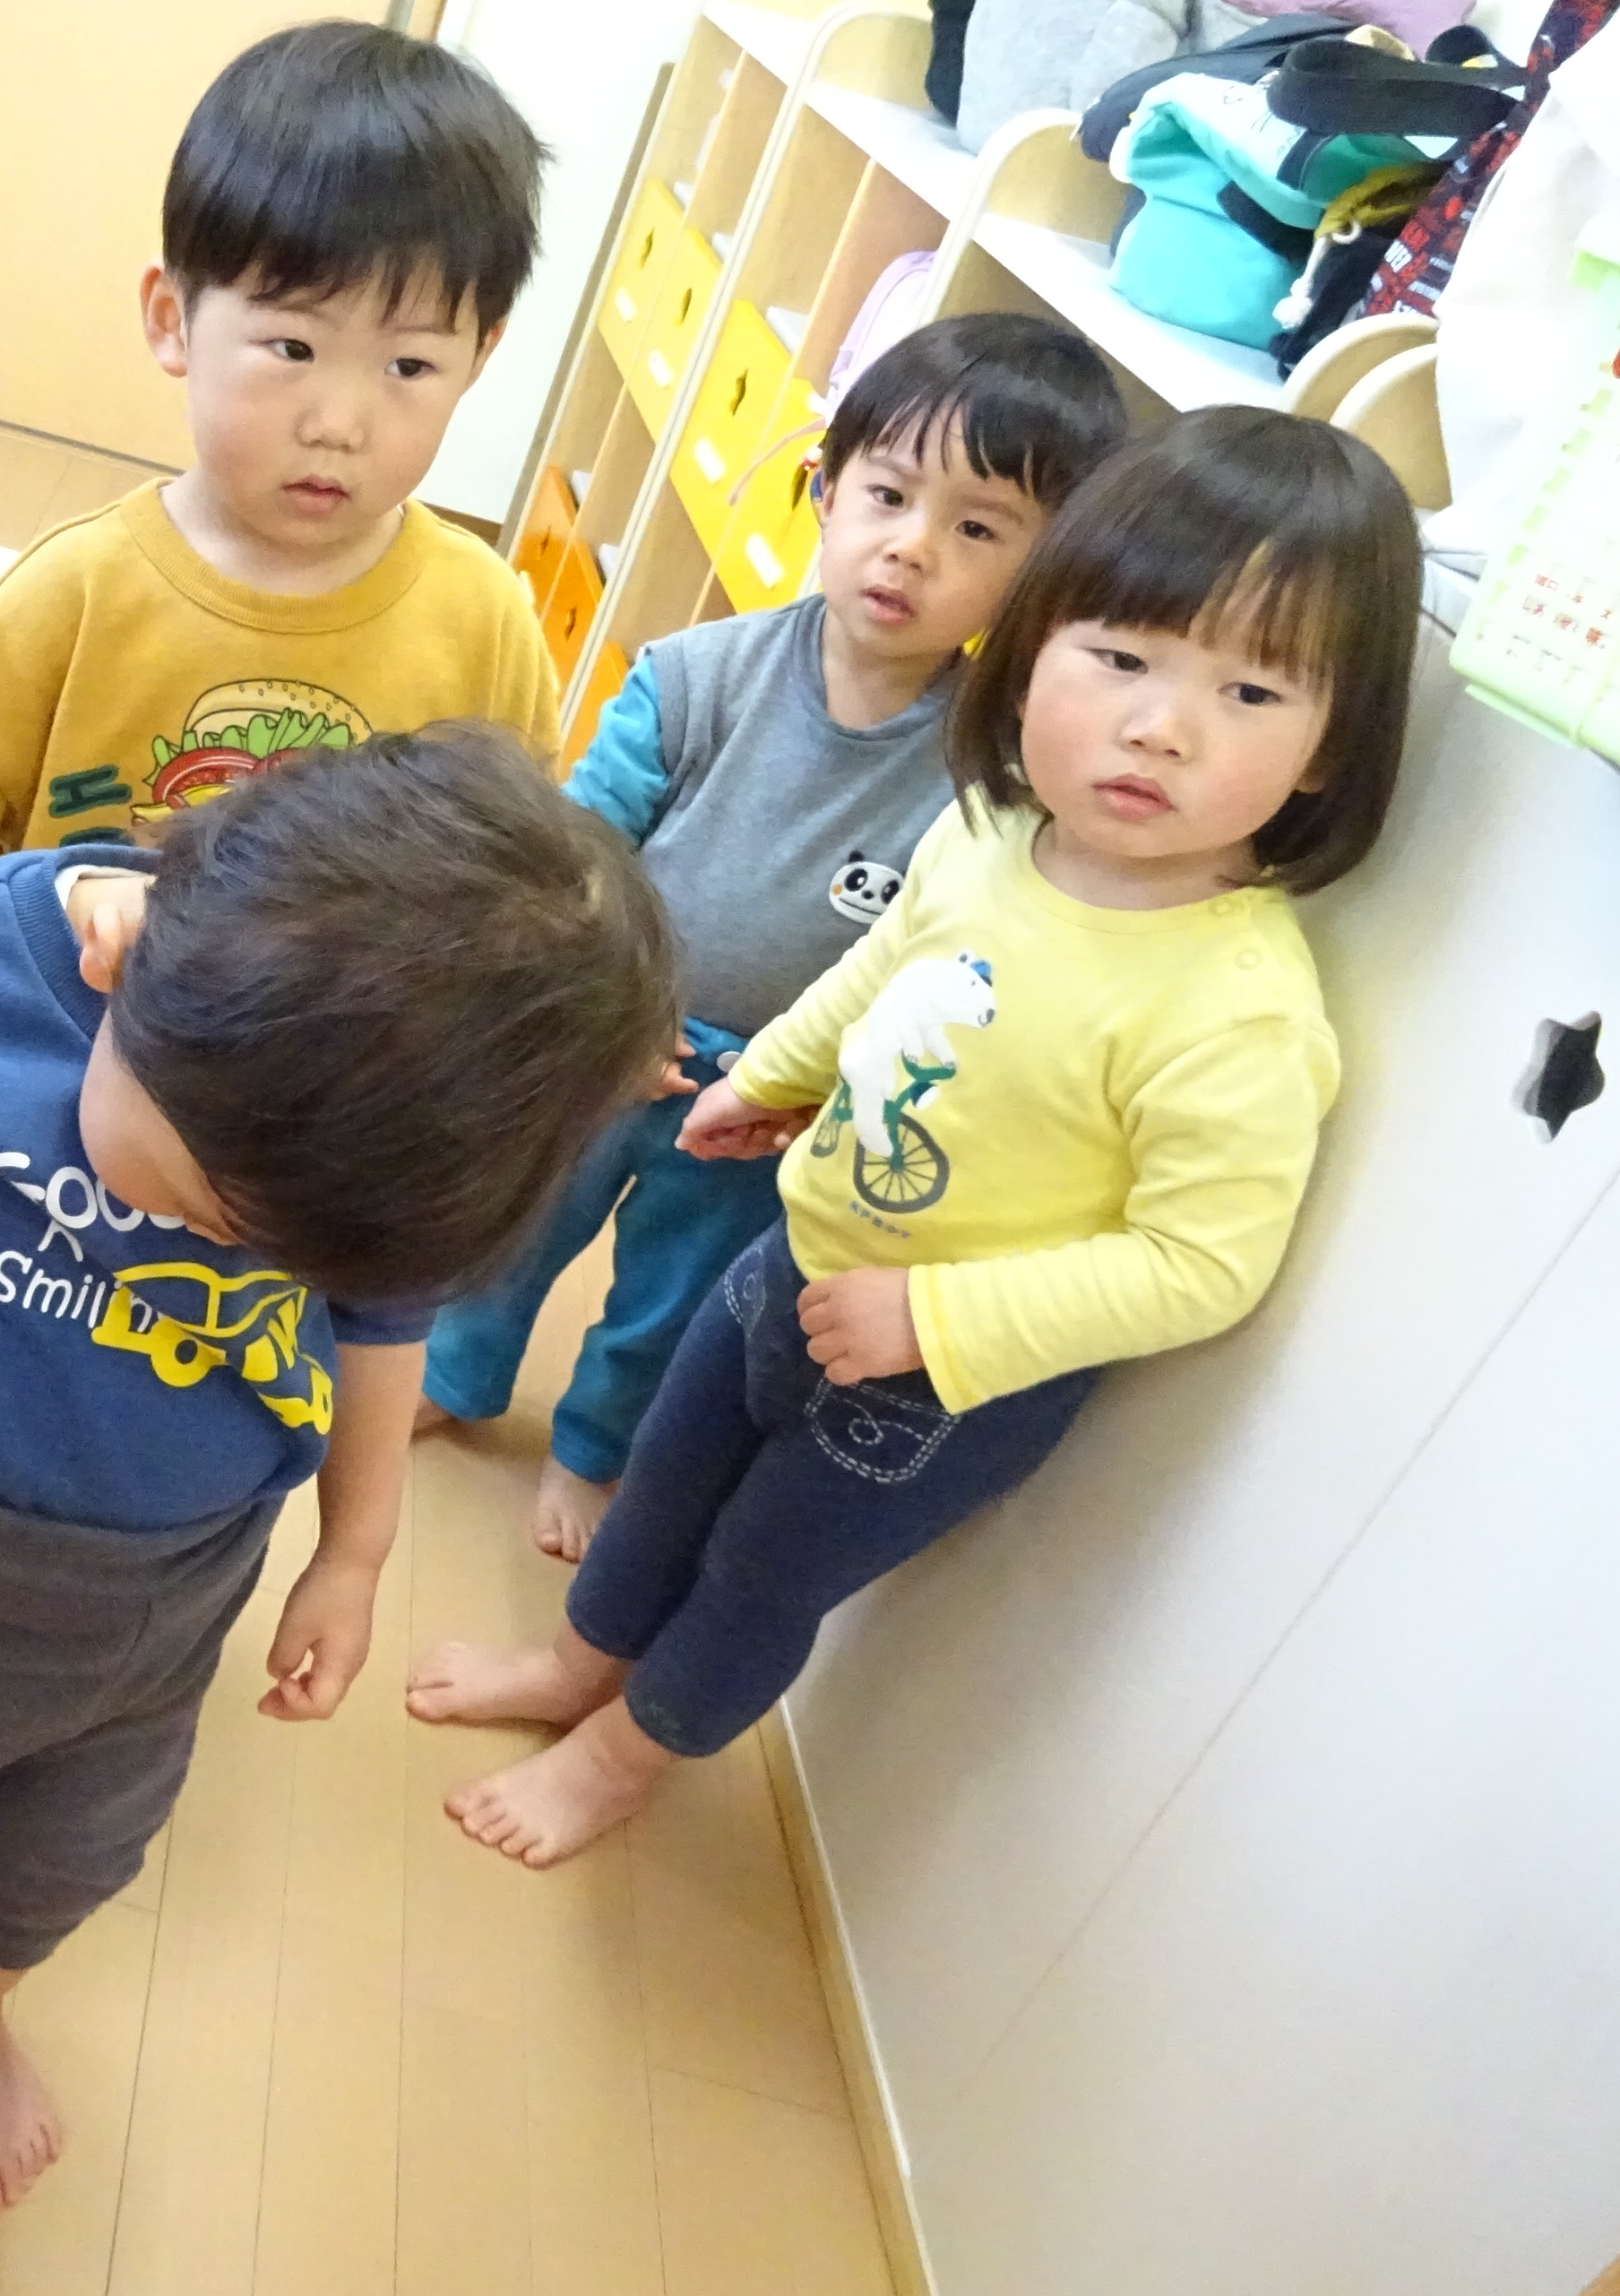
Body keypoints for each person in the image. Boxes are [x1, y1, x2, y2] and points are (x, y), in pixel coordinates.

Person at [0, 729, 679, 2296]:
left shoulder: (380, 1145)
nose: (222, 1243)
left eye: (277, 1246)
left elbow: (380, 1325)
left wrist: (354, 1548)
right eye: (206, 1199)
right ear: (136, 967)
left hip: (162, 1614)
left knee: (66, 1867)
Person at [419, 408, 1418, 1869]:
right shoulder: (990, 835)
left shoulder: (1238, 1009)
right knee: (662, 1490)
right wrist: (768, 1076)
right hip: (791, 1258)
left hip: (937, 1385)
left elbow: (1198, 1265)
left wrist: (932, 1320)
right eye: (1121, 657)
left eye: (1252, 690)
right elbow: (881, 971)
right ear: (1032, 646)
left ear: (1331, 749)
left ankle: (624, 1760)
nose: (1162, 726)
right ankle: (578, 1667)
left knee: (756, 1579)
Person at [410, 314, 1129, 1567]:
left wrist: (818, 1080)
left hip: (774, 1094)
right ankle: (454, 1378)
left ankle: (593, 1448)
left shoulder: (991, 770)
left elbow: (954, 947)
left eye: (978, 530)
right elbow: (576, 852)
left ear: (1040, 579)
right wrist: (588, 1007)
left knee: (672, 1296)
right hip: (601, 1033)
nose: (912, 547)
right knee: (511, 1226)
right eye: (888, 495)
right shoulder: (701, 674)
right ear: (824, 490)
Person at [0, 17, 565, 1016]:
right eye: (294, 348)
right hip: (53, 1043)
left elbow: (523, 884)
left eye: (409, 365)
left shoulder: (484, 620)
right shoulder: (77, 594)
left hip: (323, 1081)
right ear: (172, 319)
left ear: (479, 357)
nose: (339, 424)